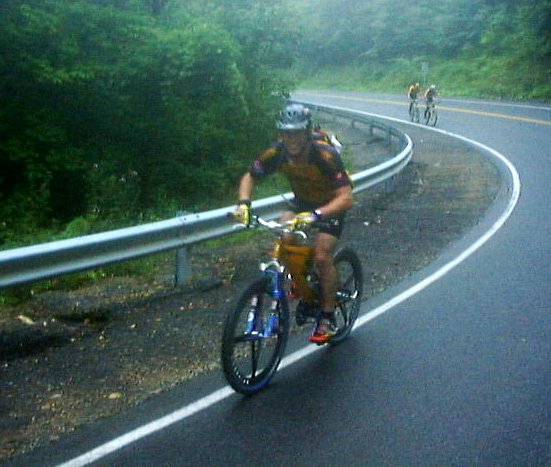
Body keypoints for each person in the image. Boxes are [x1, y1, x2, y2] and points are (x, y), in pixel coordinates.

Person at [234, 103, 354, 345]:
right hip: (302, 202)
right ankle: (301, 282)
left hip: (330, 205)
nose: (292, 139)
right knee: (284, 236)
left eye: (297, 133)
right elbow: (250, 176)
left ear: (307, 132)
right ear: (281, 134)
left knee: (322, 256)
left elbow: (346, 197)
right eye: (287, 133)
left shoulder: (325, 155)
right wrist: (244, 204)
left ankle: (328, 316)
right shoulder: (276, 153)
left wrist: (317, 215)